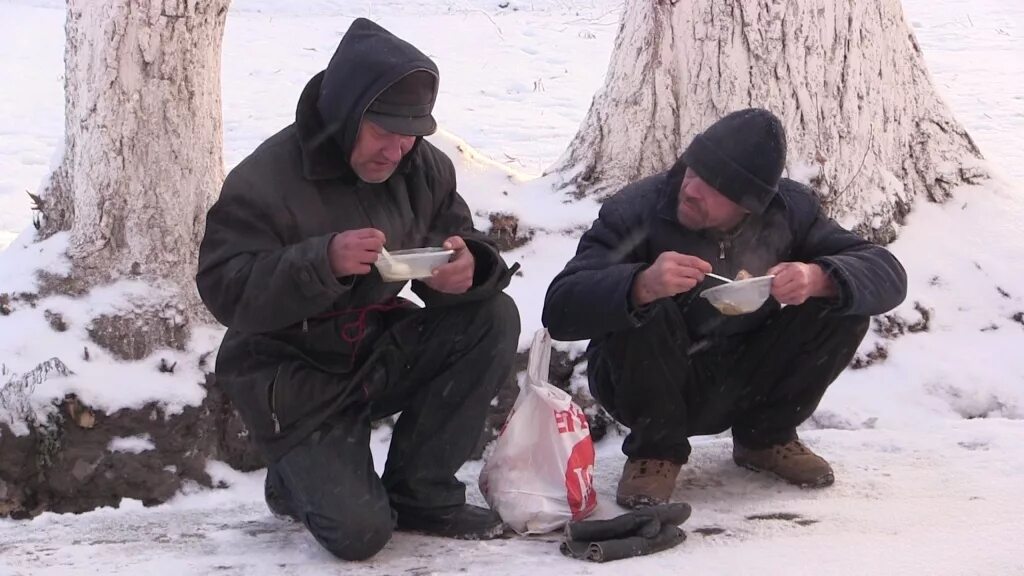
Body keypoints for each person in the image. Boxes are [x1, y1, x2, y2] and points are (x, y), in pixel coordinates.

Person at [196, 18, 520, 560]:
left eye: (410, 133)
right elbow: (224, 288)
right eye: (384, 132)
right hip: (290, 371)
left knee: (492, 315)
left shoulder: (425, 168)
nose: (397, 151)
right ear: (347, 116)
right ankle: (296, 473)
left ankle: (420, 493)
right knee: (360, 536)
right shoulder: (266, 179)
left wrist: (468, 266)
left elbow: (456, 236)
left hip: (372, 349)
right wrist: (321, 262)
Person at [542, 108, 907, 509]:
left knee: (842, 298)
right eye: (692, 170)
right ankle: (655, 453)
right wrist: (640, 285)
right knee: (648, 305)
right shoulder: (635, 211)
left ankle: (765, 439)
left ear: (748, 205)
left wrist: (816, 278)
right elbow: (560, 308)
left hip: (745, 375)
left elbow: (888, 275)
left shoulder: (791, 212)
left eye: (714, 186)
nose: (691, 188)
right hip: (649, 377)